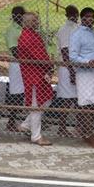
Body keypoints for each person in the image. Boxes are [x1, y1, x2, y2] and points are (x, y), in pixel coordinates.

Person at [67, 7, 94, 148]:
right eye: (87, 16)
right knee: (86, 105)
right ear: (81, 18)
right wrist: (88, 62)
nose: (90, 19)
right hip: (85, 74)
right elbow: (72, 57)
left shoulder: (93, 33)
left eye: (92, 16)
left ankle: (84, 131)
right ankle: (89, 136)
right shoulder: (77, 34)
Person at [15, 12, 53, 146]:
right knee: (36, 105)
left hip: (38, 72)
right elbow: (39, 56)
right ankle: (36, 136)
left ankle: (26, 124)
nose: (37, 22)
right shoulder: (27, 37)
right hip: (33, 75)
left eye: (37, 19)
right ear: (26, 22)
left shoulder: (33, 34)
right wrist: (50, 65)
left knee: (46, 99)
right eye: (33, 20)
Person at [52, 5, 81, 137]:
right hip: (67, 67)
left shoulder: (75, 28)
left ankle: (78, 126)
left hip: (73, 66)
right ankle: (62, 127)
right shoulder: (66, 29)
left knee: (75, 98)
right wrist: (72, 71)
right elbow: (65, 51)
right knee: (66, 99)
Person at [3, 6, 26, 132]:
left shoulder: (24, 27)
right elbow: (14, 50)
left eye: (20, 14)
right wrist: (30, 56)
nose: (17, 16)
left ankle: (26, 121)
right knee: (17, 93)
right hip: (17, 64)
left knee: (25, 92)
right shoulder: (12, 29)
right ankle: (11, 121)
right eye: (15, 14)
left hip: (26, 63)